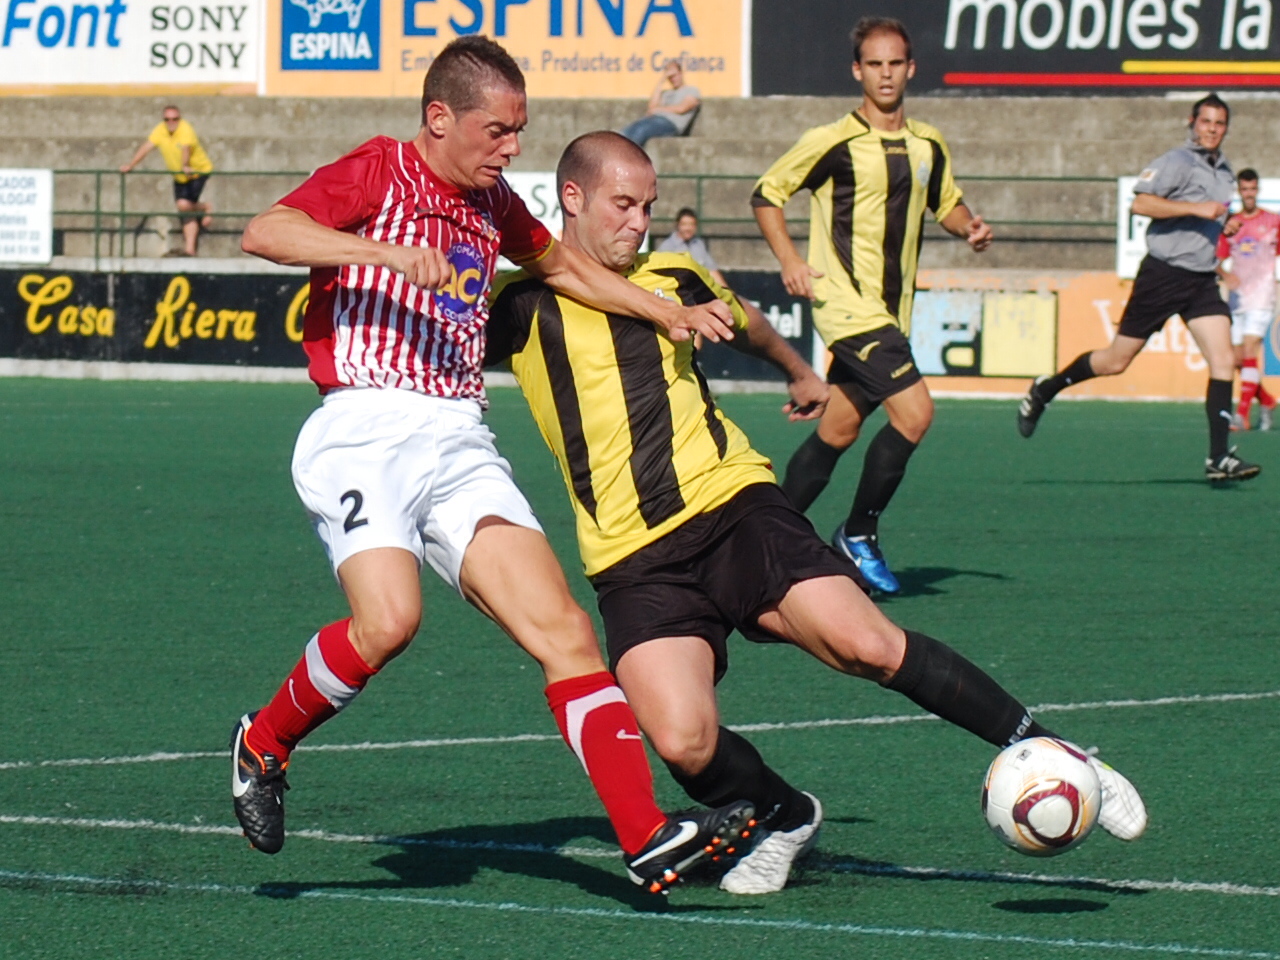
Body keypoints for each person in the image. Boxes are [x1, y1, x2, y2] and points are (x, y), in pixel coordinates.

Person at [486, 130, 1148, 897]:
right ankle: (787, 814)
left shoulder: (676, 275)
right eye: (623, 205)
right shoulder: (521, 305)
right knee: (681, 741)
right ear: (571, 199)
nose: (639, 222)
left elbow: (752, 326)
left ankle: (1065, 754)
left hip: (734, 508)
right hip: (634, 559)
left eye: (649, 206)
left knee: (865, 642)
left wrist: (799, 371)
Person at [232, 36, 754, 896]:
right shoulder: (381, 170)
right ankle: (263, 743)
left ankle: (646, 836)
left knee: (566, 633)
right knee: (388, 625)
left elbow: (565, 267)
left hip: (459, 438)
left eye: (520, 130)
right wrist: (384, 254)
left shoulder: (495, 200)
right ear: (440, 119)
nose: (513, 149)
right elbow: (267, 230)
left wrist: (661, 311)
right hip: (363, 424)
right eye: (499, 130)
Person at [751, 17, 993, 595]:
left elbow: (947, 203)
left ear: (910, 69)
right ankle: (858, 535)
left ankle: (760, 539)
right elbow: (767, 194)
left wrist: (969, 228)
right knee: (915, 413)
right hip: (845, 305)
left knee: (837, 430)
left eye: (895, 64)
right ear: (857, 71)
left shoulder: (928, 143)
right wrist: (789, 259)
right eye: (874, 65)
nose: (885, 75)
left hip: (891, 311)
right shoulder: (833, 141)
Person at [1019, 94, 1260, 483]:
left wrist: (1223, 224)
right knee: (1115, 362)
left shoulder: (1225, 170)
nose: (1212, 129)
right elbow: (1142, 204)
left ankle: (1218, 457)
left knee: (1223, 361)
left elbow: (1207, 214)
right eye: (1206, 122)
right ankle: (1045, 390)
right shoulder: (1176, 161)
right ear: (1192, 123)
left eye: (1219, 123)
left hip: (1200, 279)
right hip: (1163, 275)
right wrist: (1199, 210)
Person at [1215, 168, 1279, 431]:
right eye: (1244, 190)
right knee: (1238, 358)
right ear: (1239, 192)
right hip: (1238, 298)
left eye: (1253, 189)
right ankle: (1267, 400)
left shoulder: (1274, 221)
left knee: (1251, 348)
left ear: (1258, 190)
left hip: (1263, 294)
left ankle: (1241, 415)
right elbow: (1216, 260)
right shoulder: (1232, 225)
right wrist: (1225, 274)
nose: (1249, 194)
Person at [120, 105, 214, 257]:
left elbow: (186, 149)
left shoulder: (185, 129)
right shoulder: (160, 130)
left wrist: (185, 165)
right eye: (167, 119)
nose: (171, 122)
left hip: (197, 172)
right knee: (186, 213)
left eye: (175, 119)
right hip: (179, 176)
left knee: (183, 205)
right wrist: (131, 165)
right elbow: (147, 147)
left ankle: (205, 207)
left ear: (180, 119)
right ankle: (190, 250)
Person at [619, 60, 700, 148]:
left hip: (671, 124)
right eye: (670, 77)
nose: (672, 79)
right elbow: (652, 107)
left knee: (642, 130)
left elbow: (682, 108)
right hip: (654, 121)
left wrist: (659, 110)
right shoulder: (666, 93)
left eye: (674, 75)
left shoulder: (691, 90)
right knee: (626, 131)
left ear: (681, 74)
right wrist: (662, 80)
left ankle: (629, 157)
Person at [658, 207, 727, 286]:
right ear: (677, 225)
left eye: (691, 224)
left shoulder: (699, 245)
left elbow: (712, 271)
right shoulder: (667, 247)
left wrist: (729, 294)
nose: (688, 228)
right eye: (684, 224)